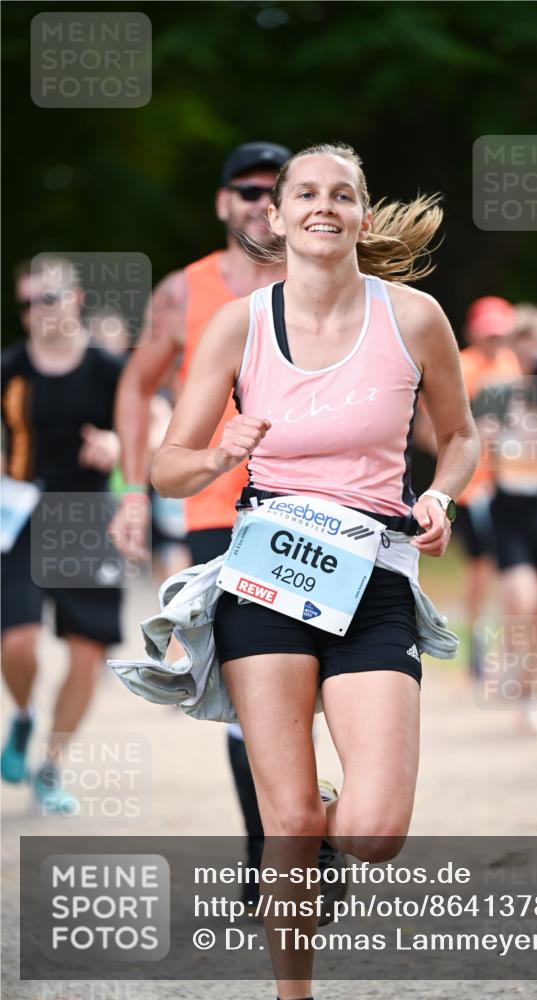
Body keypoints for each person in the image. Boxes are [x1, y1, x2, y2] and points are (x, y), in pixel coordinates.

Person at [150, 143, 478, 1000]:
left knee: (371, 832)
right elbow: (165, 468)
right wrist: (219, 451)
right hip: (266, 576)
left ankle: (327, 814)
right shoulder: (240, 324)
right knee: (287, 822)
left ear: (362, 216)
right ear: (277, 215)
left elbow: (462, 436)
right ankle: (293, 993)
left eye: (342, 194)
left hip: (372, 578)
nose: (322, 206)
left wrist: (442, 497)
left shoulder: (413, 319)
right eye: (305, 193)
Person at [109, 141, 291, 905]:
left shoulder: (320, 280)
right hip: (217, 512)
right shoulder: (184, 292)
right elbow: (134, 384)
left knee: (314, 686)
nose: (258, 201)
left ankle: (308, 826)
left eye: (272, 190)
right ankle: (269, 857)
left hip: (314, 509)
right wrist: (130, 490)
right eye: (245, 189)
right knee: (248, 691)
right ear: (223, 202)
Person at [1, 256, 124, 812]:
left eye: (47, 299)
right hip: (20, 516)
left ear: (75, 299)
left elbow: (152, 427)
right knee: (18, 642)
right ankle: (23, 717)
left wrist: (117, 449)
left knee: (85, 653)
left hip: (86, 516)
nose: (36, 312)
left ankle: (50, 768)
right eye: (26, 303)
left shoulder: (108, 369)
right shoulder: (10, 370)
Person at [415, 295, 521, 677]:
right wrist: (463, 455)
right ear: (474, 331)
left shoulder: (511, 365)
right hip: (474, 489)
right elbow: (427, 431)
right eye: (488, 331)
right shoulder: (464, 365)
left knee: (507, 568)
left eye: (500, 331)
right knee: (481, 567)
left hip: (510, 484)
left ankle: (500, 642)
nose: (495, 339)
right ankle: (477, 638)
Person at [478, 305, 537, 733]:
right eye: (522, 348)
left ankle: (531, 696)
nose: (531, 357)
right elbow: (474, 438)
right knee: (521, 599)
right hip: (509, 508)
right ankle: (509, 652)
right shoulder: (498, 393)